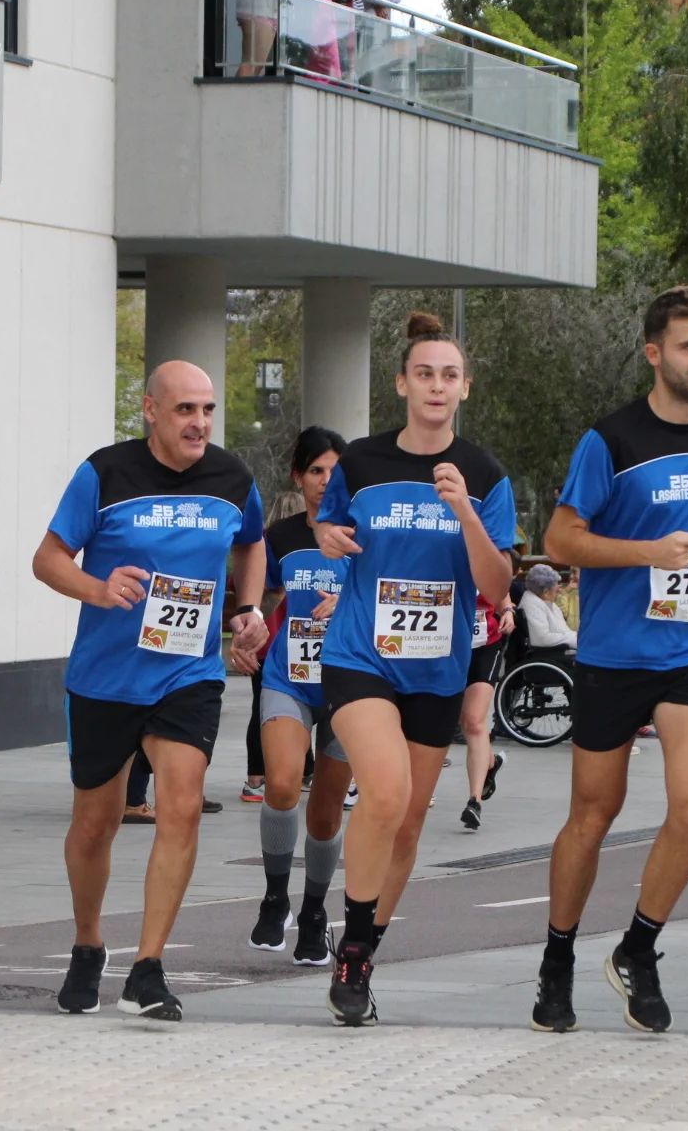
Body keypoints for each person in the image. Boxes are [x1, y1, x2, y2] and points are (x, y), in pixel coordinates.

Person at [535, 285, 688, 1035]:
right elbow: (561, 540)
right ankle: (557, 959)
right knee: (593, 815)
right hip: (614, 656)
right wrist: (648, 553)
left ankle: (639, 948)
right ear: (654, 352)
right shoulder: (611, 440)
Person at [33, 360, 268, 1022]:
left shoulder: (232, 479)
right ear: (151, 410)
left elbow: (252, 545)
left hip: (188, 674)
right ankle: (87, 944)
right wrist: (98, 588)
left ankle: (148, 967)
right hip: (105, 678)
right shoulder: (105, 473)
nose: (200, 422)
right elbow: (47, 559)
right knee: (94, 825)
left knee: (182, 806)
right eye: (185, 409)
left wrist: (247, 608)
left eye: (208, 410)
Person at [314, 312, 516, 1026]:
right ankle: (350, 944)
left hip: (437, 668)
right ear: (402, 383)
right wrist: (327, 535)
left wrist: (465, 513)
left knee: (407, 824)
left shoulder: (484, 475)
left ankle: (361, 952)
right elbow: (330, 522)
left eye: (449, 375)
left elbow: (496, 585)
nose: (436, 385)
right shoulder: (362, 462)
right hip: (360, 656)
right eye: (424, 373)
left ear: (465, 388)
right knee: (387, 792)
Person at [233, 426, 351, 966]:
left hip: (350, 687)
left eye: (334, 471)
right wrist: (246, 634)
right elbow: (254, 599)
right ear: (298, 477)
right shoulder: (278, 536)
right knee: (281, 785)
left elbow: (391, 595)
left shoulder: (364, 537)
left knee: (325, 814)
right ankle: (275, 897)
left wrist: (348, 601)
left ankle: (314, 911)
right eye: (315, 471)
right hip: (288, 679)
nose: (325, 481)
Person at [457, 588, 512, 831]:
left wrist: (507, 610)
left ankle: (474, 802)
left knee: (474, 722)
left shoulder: (484, 563)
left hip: (485, 645)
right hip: (445, 645)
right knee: (463, 720)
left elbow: (501, 587)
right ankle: (490, 762)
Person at [520, 564, 576, 650]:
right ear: (546, 592)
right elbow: (541, 638)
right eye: (556, 590)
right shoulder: (533, 606)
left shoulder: (546, 603)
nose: (558, 593)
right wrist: (573, 639)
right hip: (551, 653)